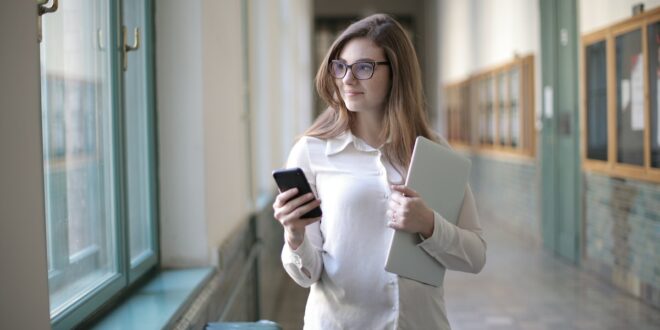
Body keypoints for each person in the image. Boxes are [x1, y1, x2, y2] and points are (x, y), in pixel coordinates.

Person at [272, 13, 486, 329]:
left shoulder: (434, 152)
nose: (347, 78)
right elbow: (308, 275)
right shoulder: (311, 152)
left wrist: (428, 224)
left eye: (363, 67)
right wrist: (294, 236)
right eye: (340, 66)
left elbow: (475, 256)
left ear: (396, 73)